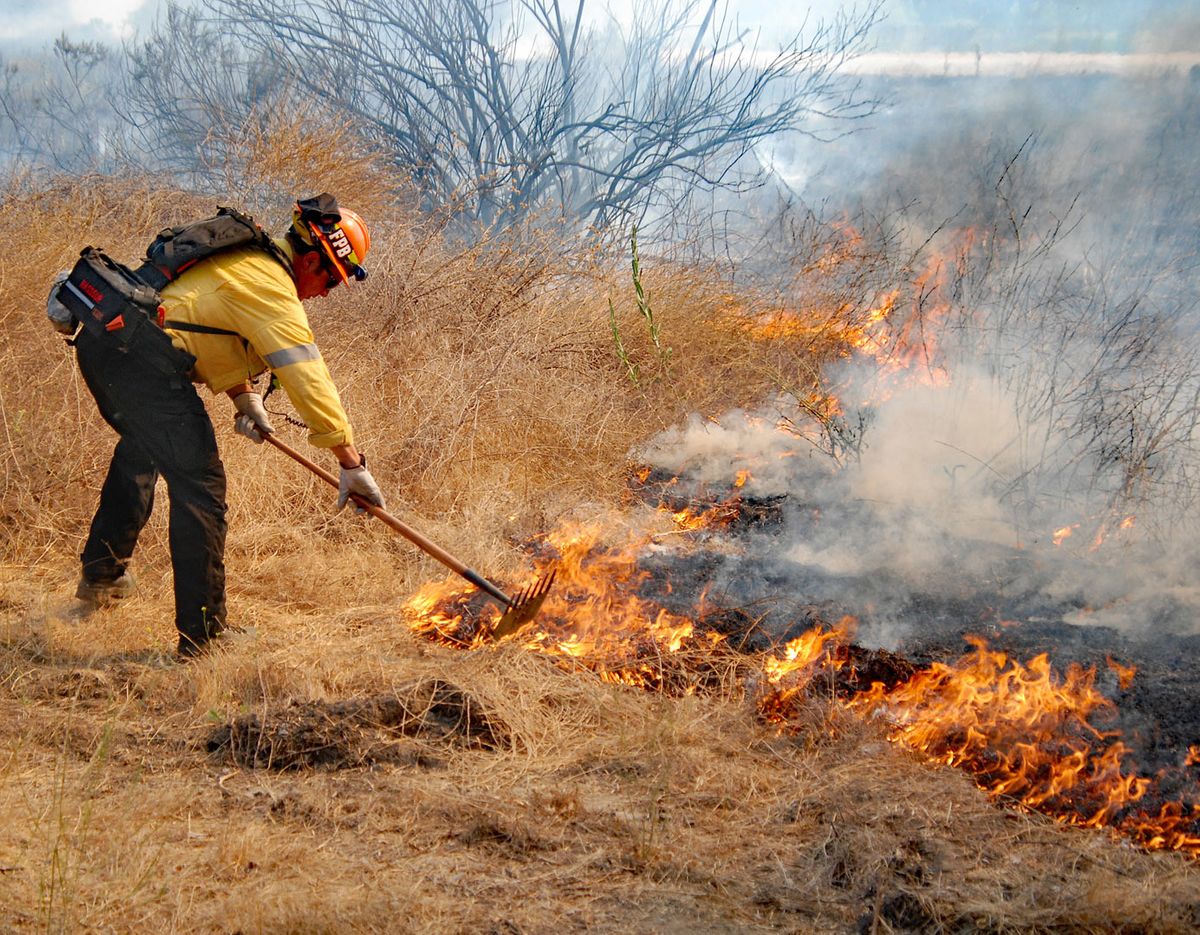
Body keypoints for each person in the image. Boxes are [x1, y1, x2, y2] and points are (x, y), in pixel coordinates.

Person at [70, 193, 386, 657]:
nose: (323, 294)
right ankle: (204, 638)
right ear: (315, 260)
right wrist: (350, 460)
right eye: (332, 283)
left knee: (142, 449)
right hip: (139, 361)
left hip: (108, 348)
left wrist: (244, 397)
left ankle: (102, 578)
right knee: (202, 488)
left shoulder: (247, 259)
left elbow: (197, 322)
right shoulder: (270, 284)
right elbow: (307, 374)